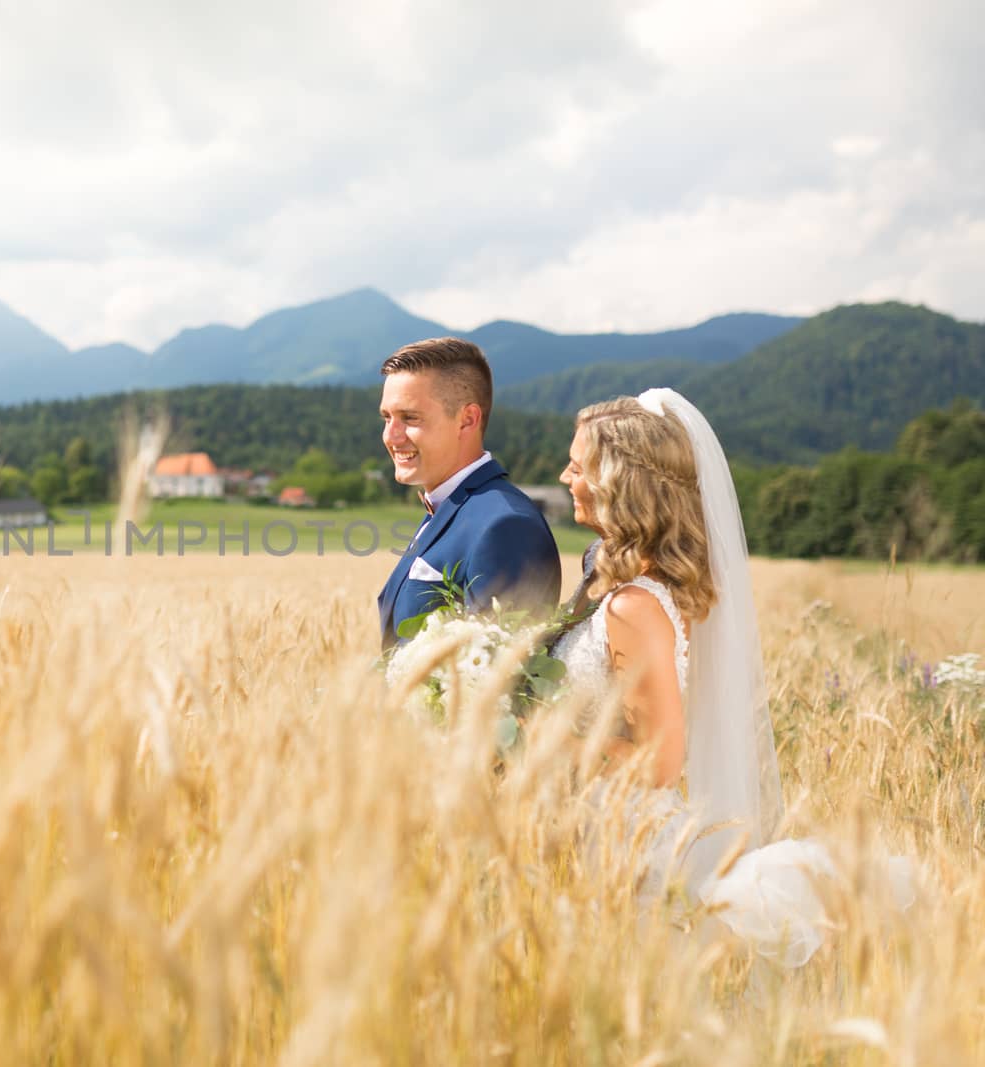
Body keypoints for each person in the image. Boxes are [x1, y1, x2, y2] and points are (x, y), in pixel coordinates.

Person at [552, 388, 912, 967]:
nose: (566, 474)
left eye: (579, 464)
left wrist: (535, 735)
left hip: (622, 841)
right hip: (610, 828)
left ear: (619, 481)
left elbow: (660, 763)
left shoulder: (633, 607)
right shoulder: (657, 589)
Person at [376, 338, 561, 648]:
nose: (390, 436)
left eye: (410, 418)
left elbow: (502, 680)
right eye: (386, 417)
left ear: (467, 419)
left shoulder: (507, 526)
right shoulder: (447, 507)